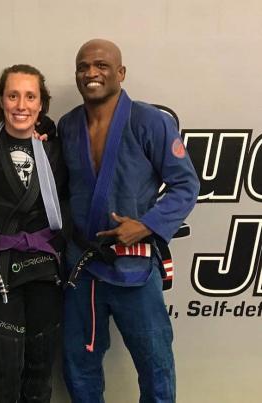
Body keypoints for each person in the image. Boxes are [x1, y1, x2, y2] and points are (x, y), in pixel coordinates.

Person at [59, 39, 200, 403]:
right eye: (83, 67)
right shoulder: (67, 125)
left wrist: (148, 225)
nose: (91, 73)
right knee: (78, 363)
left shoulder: (150, 121)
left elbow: (186, 185)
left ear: (120, 73)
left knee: (155, 365)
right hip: (82, 266)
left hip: (133, 264)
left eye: (102, 65)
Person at [0, 64, 67, 403]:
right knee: (4, 368)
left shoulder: (55, 149)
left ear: (42, 104)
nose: (21, 105)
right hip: (0, 268)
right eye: (13, 96)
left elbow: (73, 201)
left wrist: (48, 128)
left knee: (40, 368)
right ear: (1, 100)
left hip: (44, 270)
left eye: (30, 97)